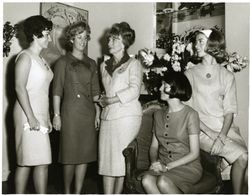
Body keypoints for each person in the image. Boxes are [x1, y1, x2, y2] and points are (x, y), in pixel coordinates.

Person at [185, 29, 248, 194]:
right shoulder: (189, 73)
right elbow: (189, 112)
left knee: (245, 161)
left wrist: (222, 135)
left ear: (212, 43)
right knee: (242, 156)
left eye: (200, 41)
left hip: (225, 130)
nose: (195, 45)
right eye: (195, 41)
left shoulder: (227, 75)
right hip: (201, 131)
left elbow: (230, 111)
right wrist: (212, 134)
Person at [52, 21, 100, 194]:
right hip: (70, 114)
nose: (83, 41)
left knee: (84, 156)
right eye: (79, 37)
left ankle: (78, 192)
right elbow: (56, 90)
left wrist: (98, 112)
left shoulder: (92, 63)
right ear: (71, 39)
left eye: (85, 37)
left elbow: (95, 91)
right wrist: (56, 115)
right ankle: (66, 191)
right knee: (70, 156)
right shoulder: (62, 62)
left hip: (88, 113)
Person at [98, 22, 143, 194]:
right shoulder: (103, 65)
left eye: (114, 39)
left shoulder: (134, 64)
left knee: (118, 161)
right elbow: (108, 90)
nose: (109, 41)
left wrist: (111, 100)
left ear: (123, 42)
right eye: (109, 38)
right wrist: (104, 100)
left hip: (127, 116)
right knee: (106, 161)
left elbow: (134, 90)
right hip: (108, 115)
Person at [142, 72, 202, 194]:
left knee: (162, 181)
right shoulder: (158, 114)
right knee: (146, 180)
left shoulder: (191, 115)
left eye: (165, 85)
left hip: (188, 166)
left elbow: (194, 153)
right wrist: (154, 162)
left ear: (176, 87)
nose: (159, 88)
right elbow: (154, 147)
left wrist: (168, 167)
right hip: (163, 164)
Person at [14, 15, 53, 193]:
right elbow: (20, 88)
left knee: (43, 160)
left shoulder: (42, 59)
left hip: (40, 113)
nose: (50, 38)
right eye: (46, 34)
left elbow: (43, 91)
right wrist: (31, 117)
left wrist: (47, 118)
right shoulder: (25, 57)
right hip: (27, 113)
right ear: (35, 36)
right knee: (26, 162)